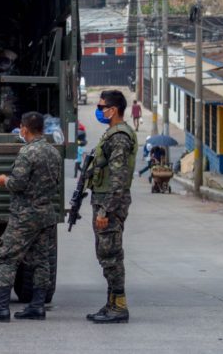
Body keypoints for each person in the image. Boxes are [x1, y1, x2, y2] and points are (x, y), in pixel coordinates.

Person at [0, 112, 62, 323]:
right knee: (41, 260)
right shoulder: (53, 152)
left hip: (25, 215)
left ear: (24, 129)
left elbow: (18, 184)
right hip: (46, 213)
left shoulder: (27, 152)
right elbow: (56, 183)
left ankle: (1, 308)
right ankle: (37, 306)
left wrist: (3, 180)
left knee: (7, 257)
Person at [86, 90, 137, 324]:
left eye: (101, 106)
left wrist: (105, 210)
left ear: (113, 110)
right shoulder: (112, 133)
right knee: (105, 254)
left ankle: (119, 307)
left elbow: (118, 178)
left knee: (112, 256)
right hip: (105, 200)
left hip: (110, 204)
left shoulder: (119, 137)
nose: (99, 110)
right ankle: (111, 304)